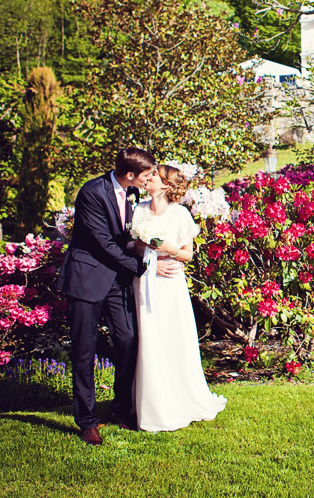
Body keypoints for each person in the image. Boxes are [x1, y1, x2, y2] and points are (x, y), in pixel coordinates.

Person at [57, 147, 181, 446]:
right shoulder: (91, 192)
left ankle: (121, 408)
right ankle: (87, 421)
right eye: (148, 174)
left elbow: (130, 237)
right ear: (130, 175)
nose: (152, 178)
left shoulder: (134, 195)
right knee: (84, 352)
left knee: (128, 340)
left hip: (116, 281)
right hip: (86, 279)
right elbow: (102, 243)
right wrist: (144, 267)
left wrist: (157, 251)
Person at [130, 164, 227, 432]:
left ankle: (178, 400)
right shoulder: (138, 209)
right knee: (148, 340)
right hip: (144, 280)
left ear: (166, 185)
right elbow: (132, 248)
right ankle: (149, 405)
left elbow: (187, 255)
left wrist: (169, 249)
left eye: (154, 176)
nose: (148, 178)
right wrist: (146, 254)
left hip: (170, 284)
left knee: (172, 338)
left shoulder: (179, 214)